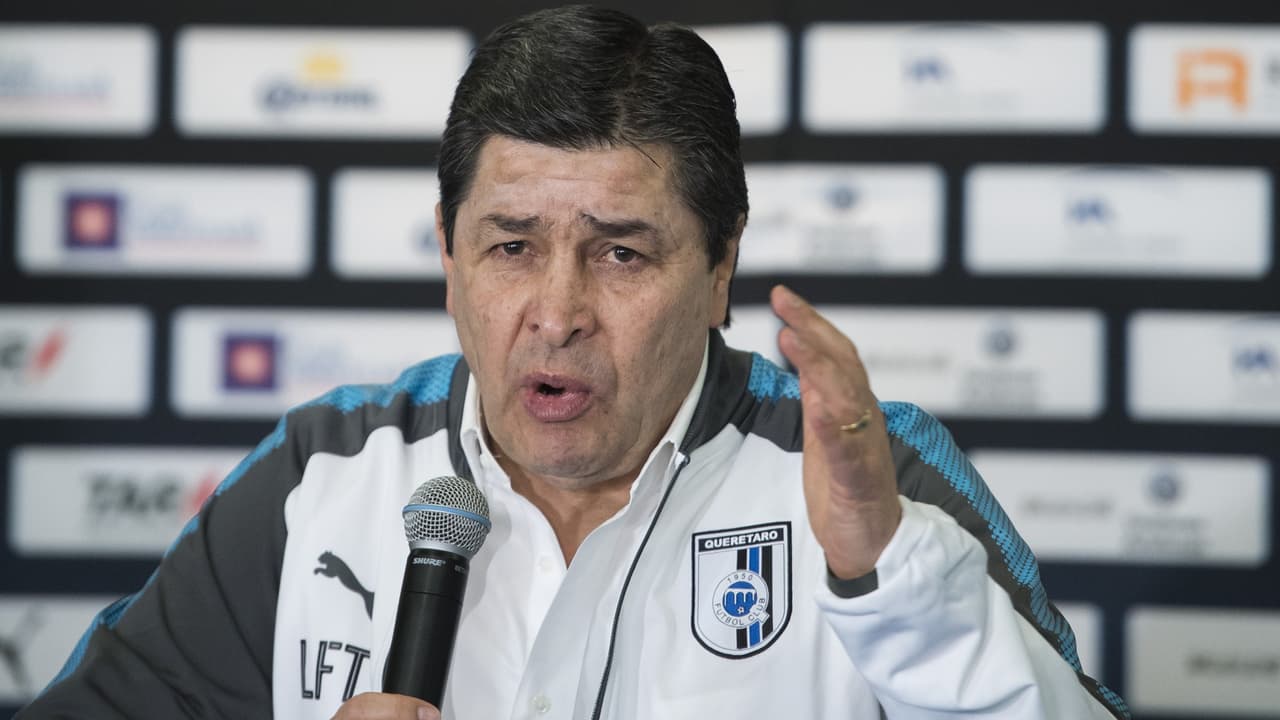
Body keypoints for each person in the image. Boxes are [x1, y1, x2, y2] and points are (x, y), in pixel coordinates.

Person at [21, 6, 1129, 719]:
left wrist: (896, 592)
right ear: (449, 257)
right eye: (510, 247)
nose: (556, 315)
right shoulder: (325, 469)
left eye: (620, 253)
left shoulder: (865, 478)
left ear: (720, 269)